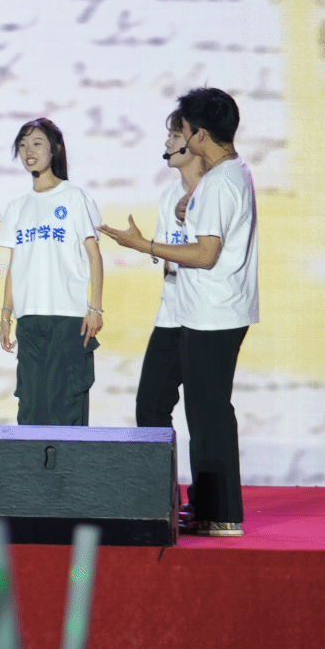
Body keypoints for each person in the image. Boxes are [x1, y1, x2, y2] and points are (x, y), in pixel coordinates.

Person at [101, 87, 257, 536]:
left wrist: (143, 245)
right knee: (159, 403)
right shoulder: (213, 181)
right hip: (187, 309)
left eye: (181, 131)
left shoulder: (224, 181)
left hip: (215, 311)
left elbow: (205, 255)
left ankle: (220, 512)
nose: (176, 139)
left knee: (208, 413)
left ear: (200, 135)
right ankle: (171, 501)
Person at [0, 118, 104, 425]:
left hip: (68, 319)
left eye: (37, 143)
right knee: (31, 407)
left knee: (66, 407)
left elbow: (94, 256)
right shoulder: (17, 208)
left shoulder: (74, 198)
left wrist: (95, 308)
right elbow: (15, 266)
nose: (28, 151)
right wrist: (5, 315)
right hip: (29, 321)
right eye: (22, 145)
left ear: (54, 149)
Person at [133, 112, 207, 438]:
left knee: (203, 413)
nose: (167, 143)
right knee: (150, 408)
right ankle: (161, 474)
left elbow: (210, 253)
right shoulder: (168, 196)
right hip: (170, 314)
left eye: (175, 136)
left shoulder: (218, 188)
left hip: (205, 318)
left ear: (196, 141)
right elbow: (166, 259)